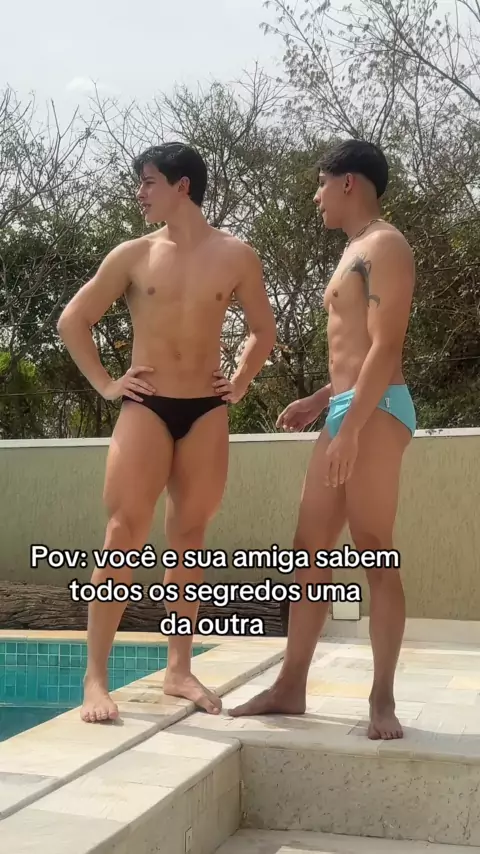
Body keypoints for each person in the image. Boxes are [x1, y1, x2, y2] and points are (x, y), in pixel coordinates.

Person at [57, 141, 276, 723]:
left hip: (205, 410)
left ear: (182, 186)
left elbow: (262, 330)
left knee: (191, 536)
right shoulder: (134, 254)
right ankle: (96, 677)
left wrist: (241, 381)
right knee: (122, 531)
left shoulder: (236, 255)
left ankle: (179, 669)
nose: (139, 192)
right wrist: (108, 384)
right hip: (147, 408)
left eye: (149, 181)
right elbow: (73, 320)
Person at [229, 139, 416, 740]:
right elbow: (353, 351)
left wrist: (352, 426)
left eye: (321, 183)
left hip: (376, 408)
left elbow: (385, 347)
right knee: (308, 549)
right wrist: (320, 401)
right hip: (346, 406)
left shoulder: (385, 245)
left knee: (373, 547)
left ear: (348, 182)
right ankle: (290, 686)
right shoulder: (354, 250)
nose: (316, 196)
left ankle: (382, 698)